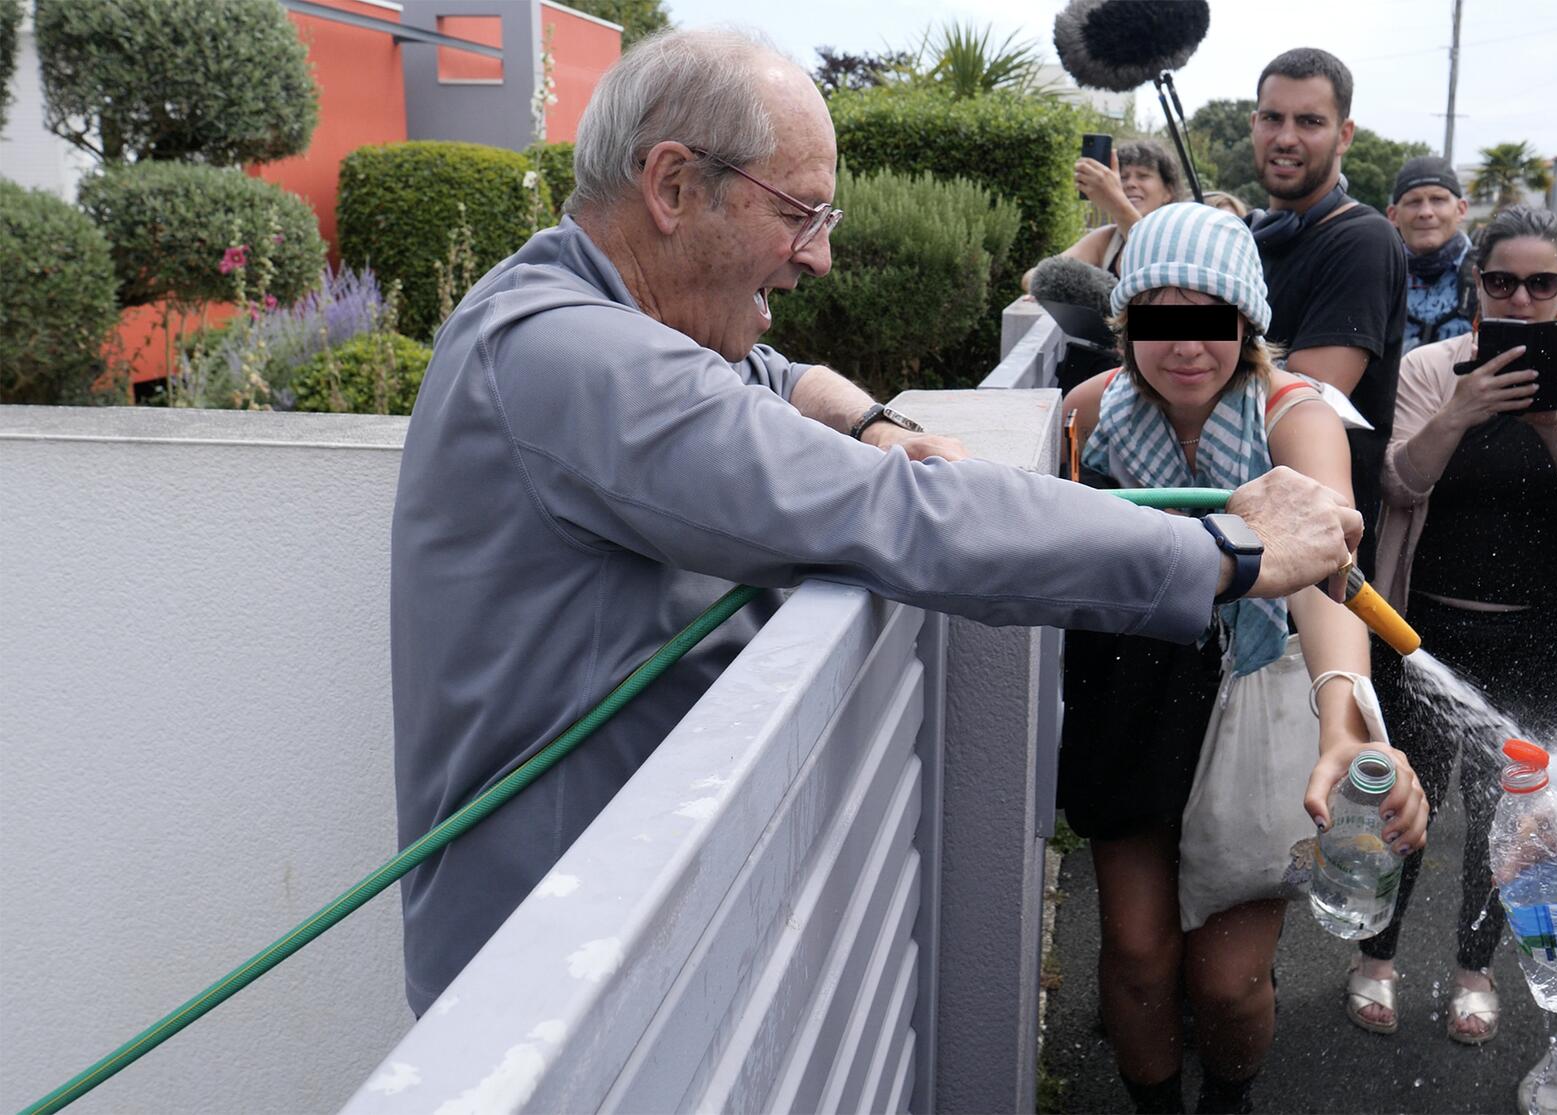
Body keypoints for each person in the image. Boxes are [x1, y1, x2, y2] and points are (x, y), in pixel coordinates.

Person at [391, 29, 1368, 1017]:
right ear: (675, 186)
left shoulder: (581, 305)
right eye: (799, 212)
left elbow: (760, 375)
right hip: (549, 981)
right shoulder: (578, 360)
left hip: (611, 921)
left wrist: (871, 419)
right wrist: (1232, 551)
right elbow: (892, 513)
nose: (817, 256)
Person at [1057, 201, 1429, 1115]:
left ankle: (1230, 1100)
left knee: (1226, 981)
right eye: (1159, 317)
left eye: (1210, 318)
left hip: (1257, 690)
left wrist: (1342, 709)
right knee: (1140, 957)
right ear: (1127, 321)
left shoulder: (1293, 412)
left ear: (1247, 325)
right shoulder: (1088, 413)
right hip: (1128, 690)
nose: (1185, 347)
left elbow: (1322, 567)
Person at [1350, 206, 1557, 1046]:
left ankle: (1474, 967)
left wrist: (1552, 422)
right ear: (1477, 284)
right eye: (1503, 281)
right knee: (1406, 803)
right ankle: (1376, 955)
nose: (1522, 298)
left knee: (1507, 817)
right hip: (1423, 635)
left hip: (1535, 638)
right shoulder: (1430, 368)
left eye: (1543, 283)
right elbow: (1399, 484)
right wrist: (1464, 407)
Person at [1248, 47, 1409, 576]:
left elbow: (1307, 397)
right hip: (1239, 530)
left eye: (1310, 121)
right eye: (1273, 117)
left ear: (1345, 135)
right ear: (1254, 125)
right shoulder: (1249, 237)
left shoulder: (1363, 238)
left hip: (1313, 550)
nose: (1286, 137)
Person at [1021, 138, 1184, 292]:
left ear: (1168, 192)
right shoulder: (1107, 239)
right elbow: (1032, 278)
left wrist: (1117, 204)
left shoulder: (1182, 237)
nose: (1131, 184)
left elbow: (1161, 263)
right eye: (1123, 177)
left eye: (1143, 176)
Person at [1385, 155, 1474, 353]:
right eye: (1413, 202)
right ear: (1393, 215)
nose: (1426, 212)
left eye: (1438, 200)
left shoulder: (1487, 275)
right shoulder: (1377, 277)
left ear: (1461, 209)